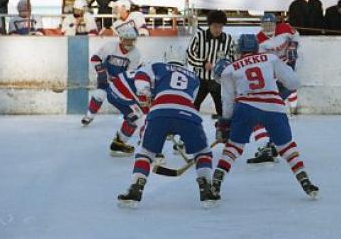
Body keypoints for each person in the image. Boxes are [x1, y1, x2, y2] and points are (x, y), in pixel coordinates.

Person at [211, 34, 319, 201]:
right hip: (273, 106)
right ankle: (305, 181)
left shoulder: (230, 69)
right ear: (255, 47)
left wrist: (225, 123)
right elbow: (294, 83)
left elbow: (227, 101)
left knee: (234, 147)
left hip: (246, 107)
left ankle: (216, 181)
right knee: (286, 147)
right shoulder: (270, 58)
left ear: (239, 50)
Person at [117, 46, 218, 207]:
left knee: (146, 152)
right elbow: (189, 98)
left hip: (159, 112)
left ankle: (136, 188)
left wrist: (147, 93)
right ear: (184, 61)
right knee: (203, 152)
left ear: (166, 57)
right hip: (188, 114)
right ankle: (207, 188)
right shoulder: (194, 76)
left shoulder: (157, 66)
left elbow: (140, 75)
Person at [245, 13, 301, 164]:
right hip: (275, 78)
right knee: (273, 110)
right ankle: (274, 143)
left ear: (276, 24)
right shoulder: (259, 41)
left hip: (286, 74)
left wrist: (293, 46)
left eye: (271, 24)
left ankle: (268, 146)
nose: (269, 27)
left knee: (266, 110)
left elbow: (296, 36)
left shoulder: (284, 28)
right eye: (266, 25)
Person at [81, 29, 141, 132]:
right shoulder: (110, 46)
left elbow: (130, 73)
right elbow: (95, 59)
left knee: (123, 99)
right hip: (105, 75)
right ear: (121, 39)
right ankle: (89, 116)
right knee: (100, 94)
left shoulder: (136, 53)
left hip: (120, 80)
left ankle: (130, 116)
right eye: (127, 40)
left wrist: (120, 82)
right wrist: (102, 72)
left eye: (132, 40)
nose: (129, 43)